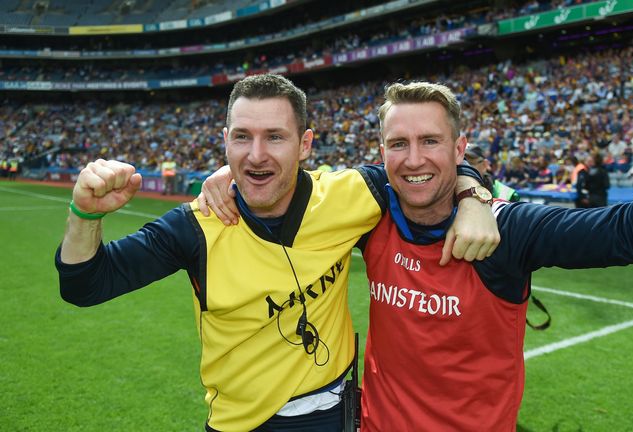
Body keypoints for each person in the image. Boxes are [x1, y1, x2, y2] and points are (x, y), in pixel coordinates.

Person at [201, 63, 633, 430]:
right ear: (381, 151)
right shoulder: (369, 215)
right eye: (399, 143)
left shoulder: (507, 232)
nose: (414, 158)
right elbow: (279, 177)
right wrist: (226, 176)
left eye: (431, 142)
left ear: (460, 146)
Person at [55, 74, 498, 432]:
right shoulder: (195, 226)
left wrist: (473, 194)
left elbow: (428, 167)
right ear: (225, 141)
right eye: (243, 138)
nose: (257, 153)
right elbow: (85, 285)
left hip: (335, 413)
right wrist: (83, 215)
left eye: (275, 137)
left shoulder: (355, 194)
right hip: (241, 423)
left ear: (305, 144)